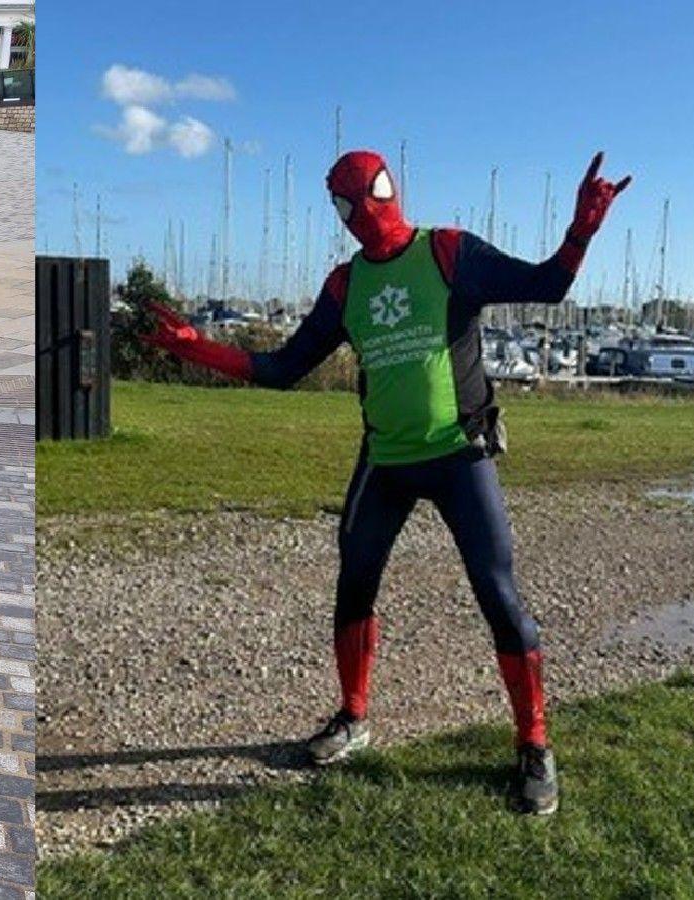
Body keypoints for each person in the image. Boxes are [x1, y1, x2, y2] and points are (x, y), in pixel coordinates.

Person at [146, 150, 630, 816]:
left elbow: (548, 284)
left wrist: (581, 231)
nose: (363, 212)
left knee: (498, 593)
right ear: (338, 211)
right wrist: (201, 347)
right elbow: (286, 367)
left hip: (462, 455)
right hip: (386, 461)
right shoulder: (345, 287)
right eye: (346, 202)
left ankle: (535, 743)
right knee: (355, 581)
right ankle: (353, 716)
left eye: (369, 192)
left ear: (390, 186)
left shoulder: (449, 253)